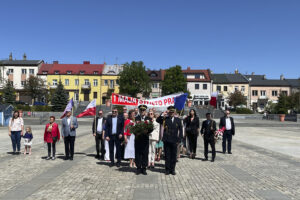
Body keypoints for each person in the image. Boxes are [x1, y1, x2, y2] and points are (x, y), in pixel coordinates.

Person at [157, 106, 183, 175]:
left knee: (173, 156)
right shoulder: (165, 119)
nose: (171, 113)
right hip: (167, 140)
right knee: (167, 155)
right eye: (170, 112)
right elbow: (157, 120)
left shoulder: (178, 120)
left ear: (174, 112)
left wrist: (180, 139)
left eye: (172, 112)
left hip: (174, 140)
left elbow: (180, 130)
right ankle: (167, 169)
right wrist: (162, 114)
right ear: (168, 112)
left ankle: (172, 169)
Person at [135, 105, 152, 175]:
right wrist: (136, 132)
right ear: (139, 111)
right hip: (138, 139)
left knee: (145, 154)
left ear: (145, 111)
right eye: (141, 110)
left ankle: (144, 168)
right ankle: (138, 168)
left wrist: (147, 132)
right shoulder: (136, 118)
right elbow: (133, 127)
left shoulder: (149, 119)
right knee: (138, 154)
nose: (142, 111)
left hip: (145, 139)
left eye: (143, 110)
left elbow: (151, 128)